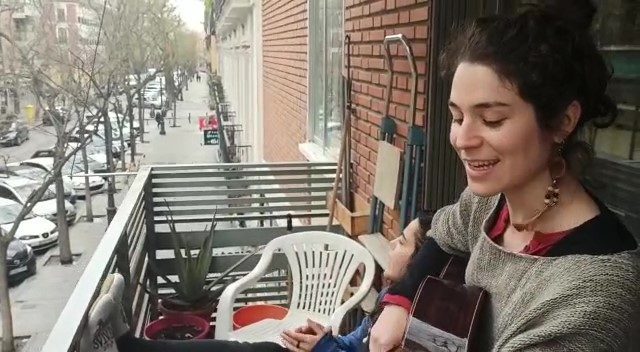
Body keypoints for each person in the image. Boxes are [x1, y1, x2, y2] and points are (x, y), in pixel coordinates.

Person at [368, 1, 640, 352]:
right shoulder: (489, 205)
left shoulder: (592, 294)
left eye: (492, 120)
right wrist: (400, 302)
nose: (463, 140)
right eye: (457, 117)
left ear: (563, 122)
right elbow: (444, 232)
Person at [80, 213, 433, 352]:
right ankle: (130, 345)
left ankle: (129, 347)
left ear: (419, 263)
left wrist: (324, 348)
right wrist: (326, 339)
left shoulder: (413, 327)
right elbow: (356, 344)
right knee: (244, 351)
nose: (390, 245)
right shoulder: (394, 300)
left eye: (402, 242)